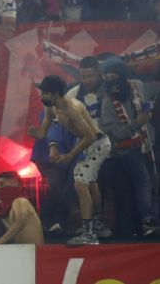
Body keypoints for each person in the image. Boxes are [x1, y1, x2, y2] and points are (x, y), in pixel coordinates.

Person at [36, 74, 111, 245]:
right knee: (90, 182)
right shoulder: (52, 107)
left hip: (97, 143)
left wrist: (70, 156)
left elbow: (90, 136)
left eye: (45, 93)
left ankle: (89, 233)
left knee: (80, 182)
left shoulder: (71, 107)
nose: (42, 96)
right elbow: (45, 130)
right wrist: (37, 135)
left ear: (55, 94)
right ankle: (97, 224)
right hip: (89, 143)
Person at [98, 56, 160, 237]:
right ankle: (148, 221)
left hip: (149, 144)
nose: (112, 82)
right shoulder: (107, 102)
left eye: (114, 77)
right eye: (108, 78)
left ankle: (152, 221)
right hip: (126, 150)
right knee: (143, 182)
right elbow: (113, 133)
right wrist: (136, 123)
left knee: (154, 183)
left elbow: (154, 91)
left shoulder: (137, 86)